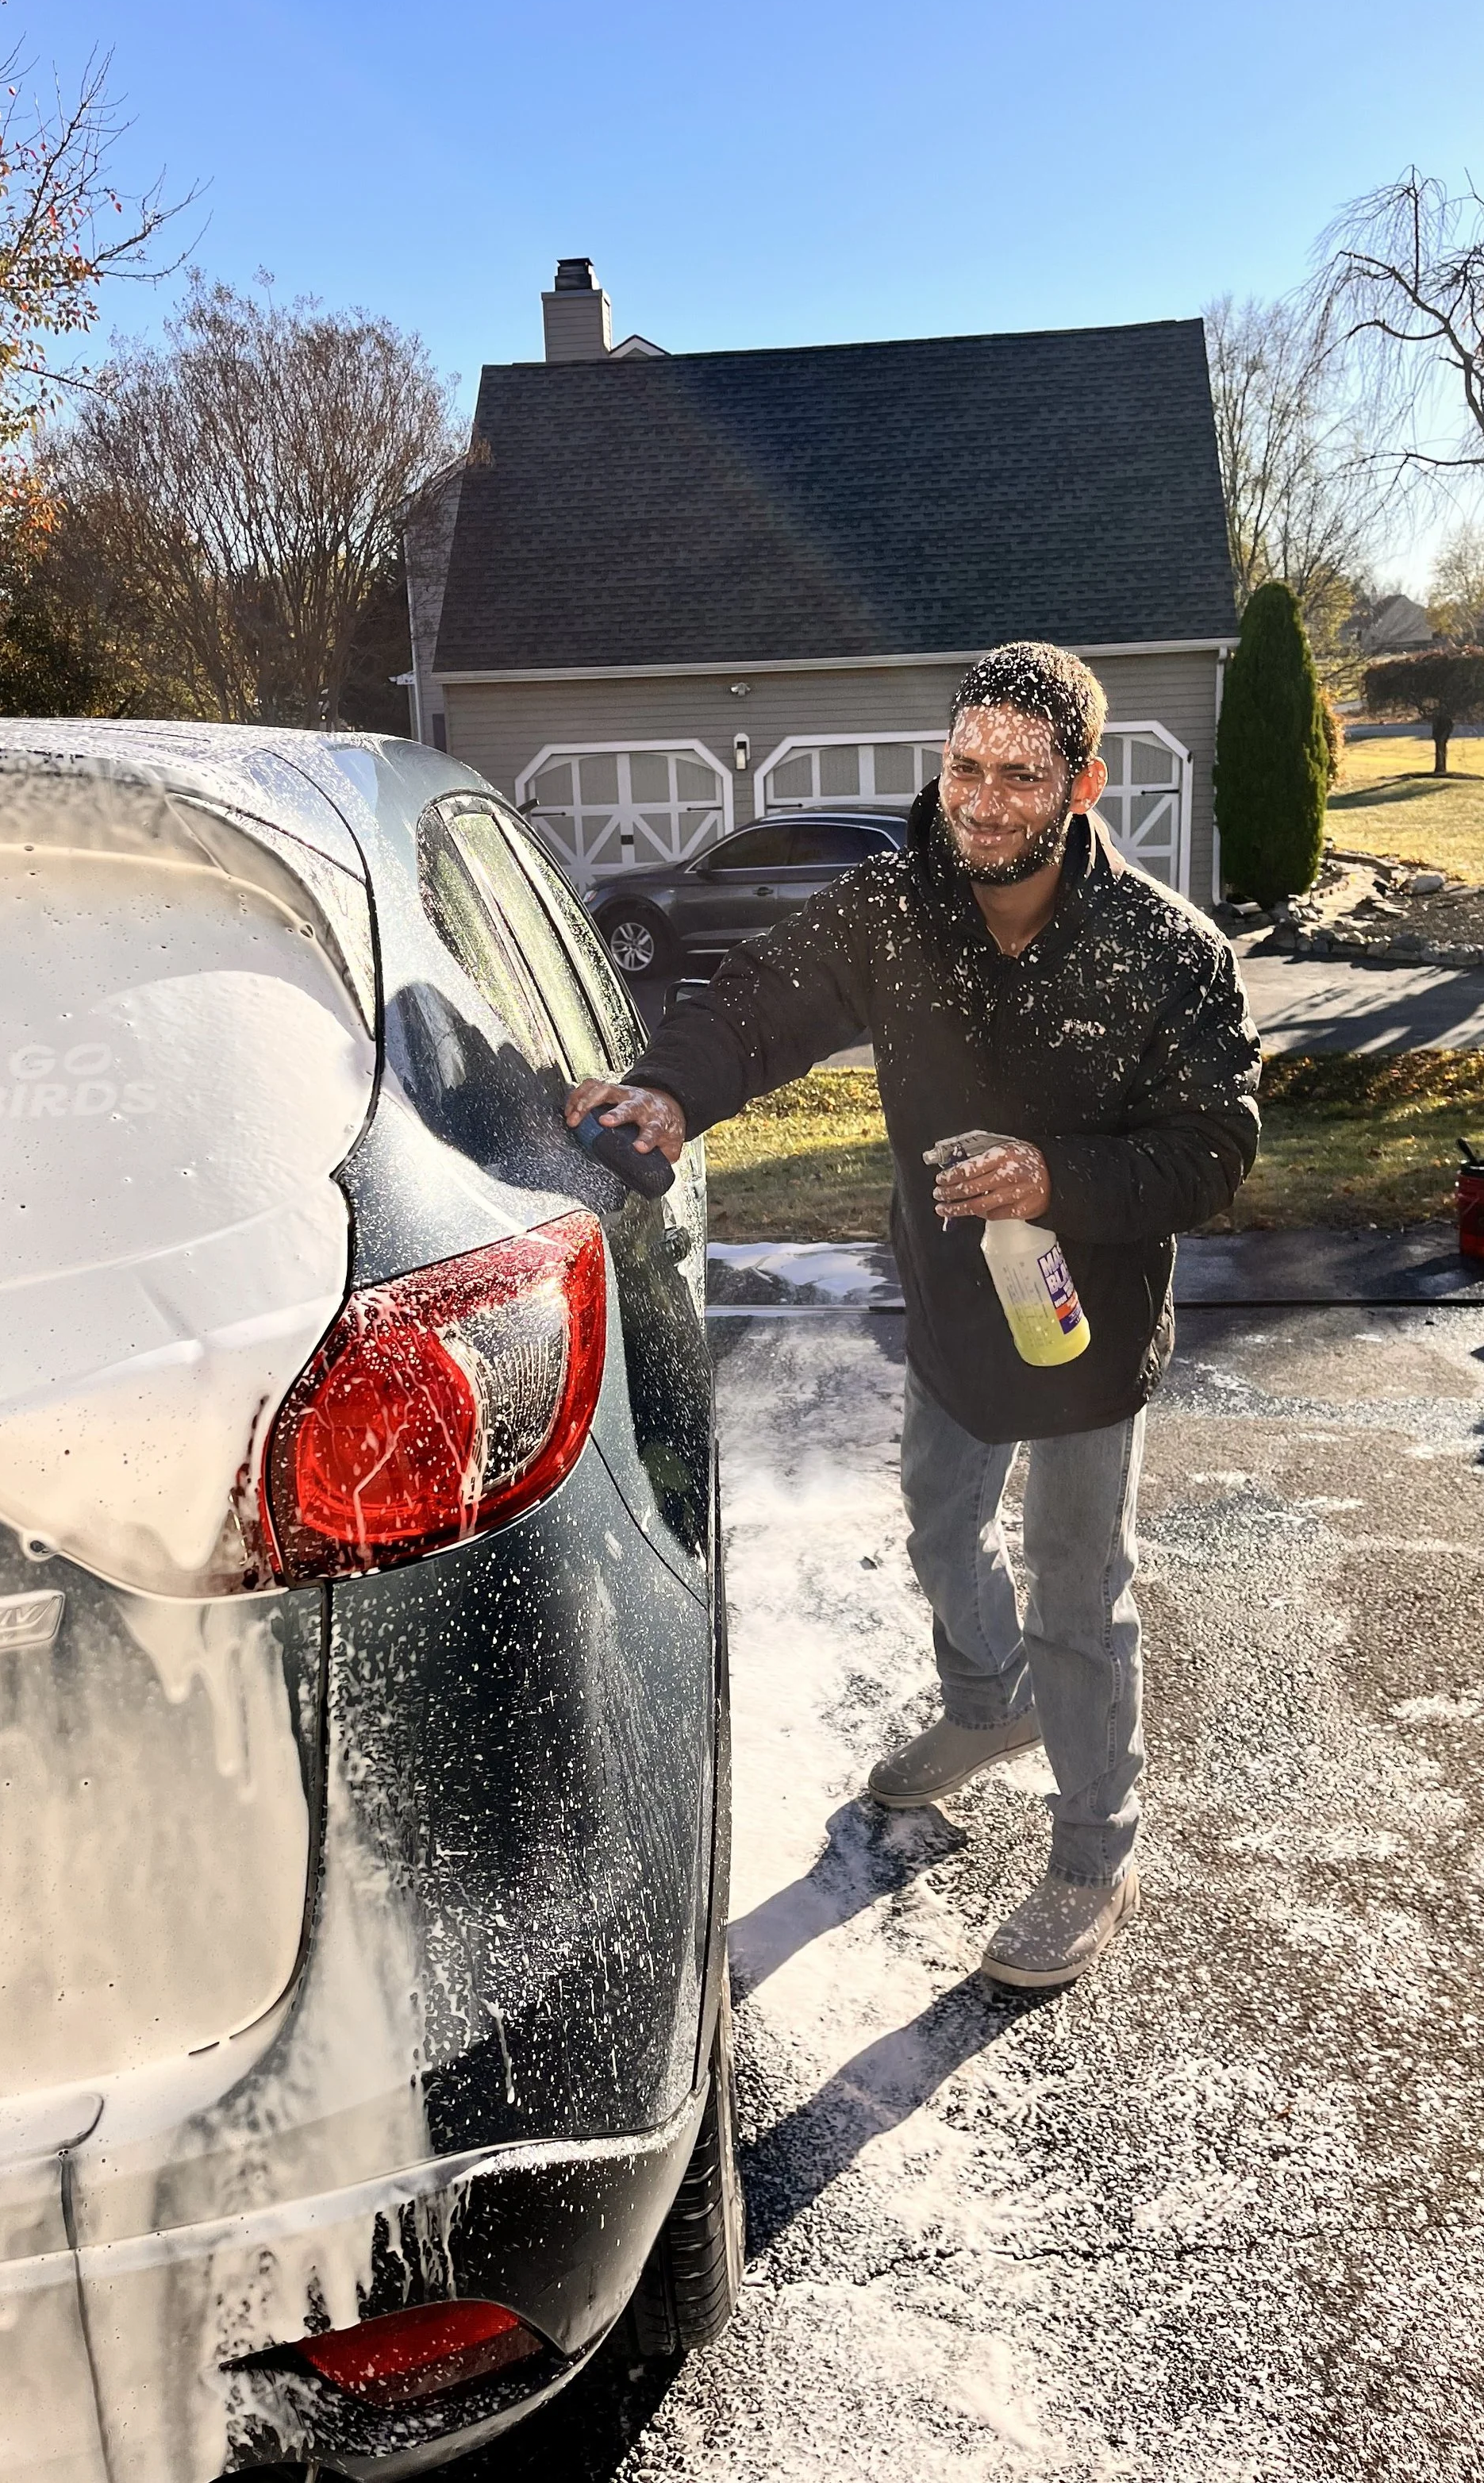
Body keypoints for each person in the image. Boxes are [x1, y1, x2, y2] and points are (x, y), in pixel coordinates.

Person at [567, 641, 1260, 1989]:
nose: (985, 803)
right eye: (965, 769)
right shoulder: (893, 907)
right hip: (950, 1303)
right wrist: (670, 1090)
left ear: (1084, 785)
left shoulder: (1164, 950)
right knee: (943, 1525)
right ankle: (987, 1706)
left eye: (1022, 776)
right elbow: (758, 1005)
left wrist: (1058, 1180)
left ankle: (1093, 1853)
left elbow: (1213, 1149)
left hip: (1088, 1323)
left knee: (1077, 1587)